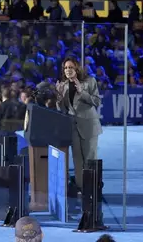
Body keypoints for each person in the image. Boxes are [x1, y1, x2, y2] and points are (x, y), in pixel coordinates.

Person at [55, 56, 102, 192]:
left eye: (70, 67)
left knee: (89, 158)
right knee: (77, 160)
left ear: (76, 68)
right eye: (65, 68)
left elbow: (97, 102)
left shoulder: (89, 81)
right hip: (73, 126)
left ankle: (92, 188)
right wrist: (59, 98)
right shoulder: (63, 86)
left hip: (89, 126)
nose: (68, 70)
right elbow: (62, 110)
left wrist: (82, 92)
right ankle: (82, 188)